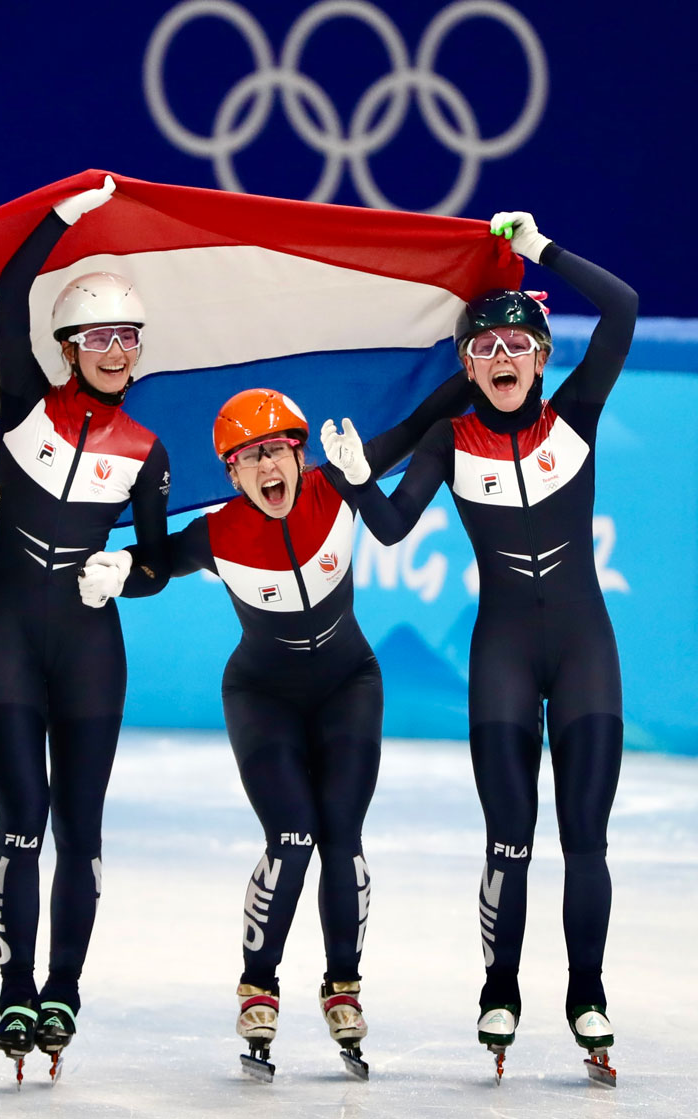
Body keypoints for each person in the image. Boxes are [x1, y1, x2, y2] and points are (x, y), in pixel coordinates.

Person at [326, 211, 637, 1080]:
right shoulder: (449, 439)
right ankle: (499, 984)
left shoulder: (576, 414)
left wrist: (545, 252)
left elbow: (622, 308)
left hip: (585, 654)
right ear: (467, 368)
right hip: (501, 651)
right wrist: (356, 481)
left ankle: (587, 992)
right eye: (485, 351)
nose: (502, 361)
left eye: (517, 347)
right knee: (510, 839)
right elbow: (390, 528)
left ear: (541, 358)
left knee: (586, 839)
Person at [84, 377, 468, 1079]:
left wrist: (467, 373)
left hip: (350, 686)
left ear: (300, 454)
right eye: (250, 456)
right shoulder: (220, 531)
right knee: (292, 835)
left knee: (342, 834)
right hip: (262, 694)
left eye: (278, 450)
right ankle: (259, 981)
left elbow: (418, 422)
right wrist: (117, 568)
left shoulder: (338, 487)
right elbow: (156, 563)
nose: (268, 468)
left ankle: (343, 984)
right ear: (231, 472)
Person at [0, 177, 171, 1075]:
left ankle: (64, 989)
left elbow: (161, 562)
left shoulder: (149, 451)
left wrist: (129, 572)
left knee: (80, 830)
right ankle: (14, 987)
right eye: (100, 337)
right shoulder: (23, 403)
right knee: (23, 822)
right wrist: (61, 216)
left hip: (91, 650)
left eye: (129, 338)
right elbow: (11, 292)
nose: (117, 350)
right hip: (9, 641)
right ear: (68, 348)